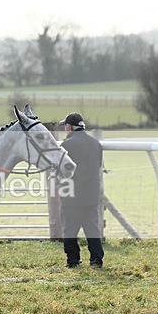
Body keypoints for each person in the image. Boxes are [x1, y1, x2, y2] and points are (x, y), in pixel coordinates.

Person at [59, 112, 104, 267]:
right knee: (92, 230)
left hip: (71, 196)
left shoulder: (66, 145)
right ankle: (96, 260)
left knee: (69, 230)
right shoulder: (95, 143)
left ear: (70, 127)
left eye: (65, 126)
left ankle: (73, 260)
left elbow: (62, 171)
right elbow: (97, 166)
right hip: (91, 195)